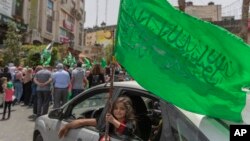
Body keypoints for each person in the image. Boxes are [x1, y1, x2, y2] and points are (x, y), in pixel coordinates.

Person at [58, 96, 136, 140]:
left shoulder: (130, 122)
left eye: (122, 109)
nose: (118, 111)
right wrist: (67, 126)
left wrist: (113, 121)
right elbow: (83, 122)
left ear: (127, 110)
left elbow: (128, 131)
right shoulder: (107, 120)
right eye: (116, 108)